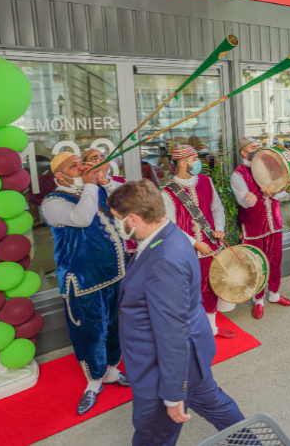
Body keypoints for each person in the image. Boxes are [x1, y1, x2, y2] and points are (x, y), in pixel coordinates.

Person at [107, 180, 245, 446]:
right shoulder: (169, 235)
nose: (117, 226)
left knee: (153, 434)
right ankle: (251, 442)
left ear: (134, 219)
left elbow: (172, 332)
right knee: (213, 402)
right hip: (188, 356)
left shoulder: (164, 260)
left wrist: (172, 394)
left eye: (117, 220)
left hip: (162, 366)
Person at [40, 152, 130, 415]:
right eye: (73, 165)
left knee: (114, 326)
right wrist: (91, 184)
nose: (80, 167)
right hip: (83, 282)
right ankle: (94, 382)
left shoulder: (92, 190)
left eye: (81, 162)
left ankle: (112, 371)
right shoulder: (52, 201)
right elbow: (82, 218)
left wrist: (102, 179)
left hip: (113, 274)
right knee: (90, 333)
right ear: (59, 175)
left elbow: (123, 207)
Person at [161, 145, 235, 339]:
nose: (198, 162)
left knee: (212, 286)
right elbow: (170, 226)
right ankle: (191, 332)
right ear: (183, 163)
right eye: (195, 159)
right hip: (187, 252)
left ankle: (212, 328)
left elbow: (217, 208)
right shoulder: (167, 192)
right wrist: (194, 242)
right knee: (189, 291)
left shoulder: (206, 181)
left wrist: (219, 228)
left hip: (211, 246)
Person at [230, 137, 290, 319]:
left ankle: (274, 294)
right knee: (257, 264)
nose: (258, 150)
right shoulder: (238, 174)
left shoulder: (268, 165)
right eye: (253, 147)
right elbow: (243, 201)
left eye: (258, 146)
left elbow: (282, 189)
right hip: (254, 226)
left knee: (275, 260)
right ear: (243, 152)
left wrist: (275, 192)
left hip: (274, 222)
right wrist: (252, 196)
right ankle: (258, 300)